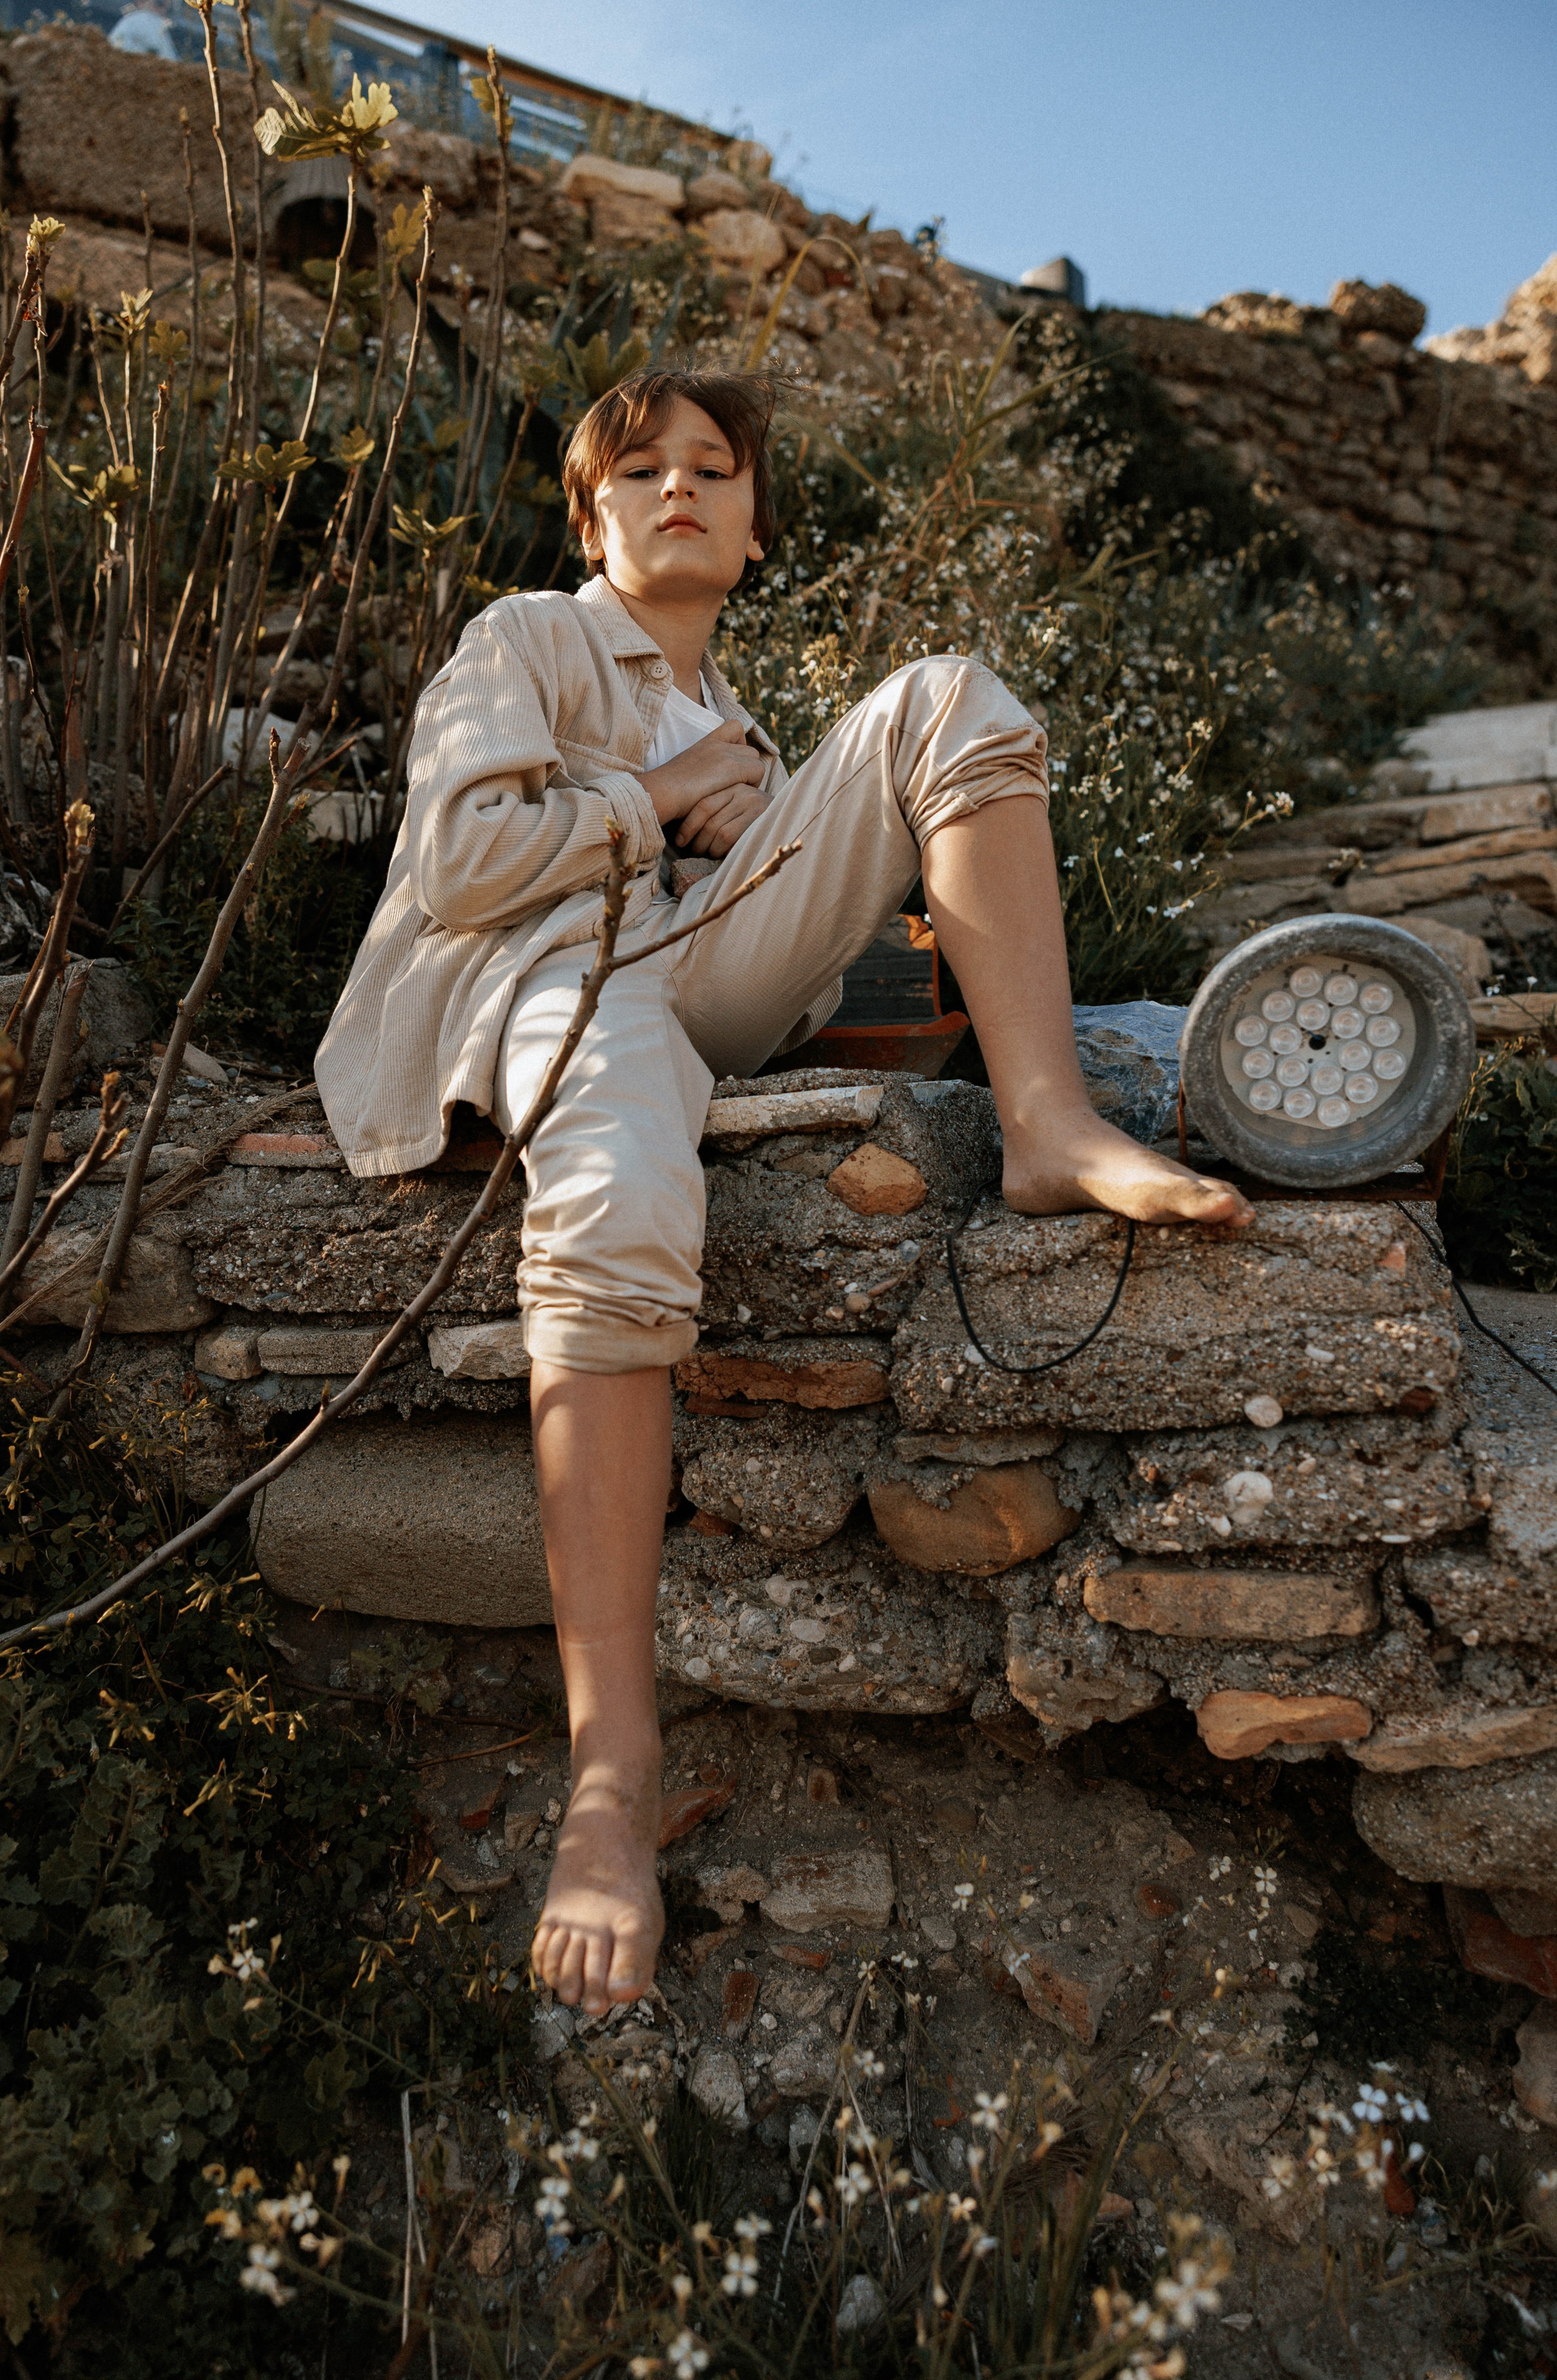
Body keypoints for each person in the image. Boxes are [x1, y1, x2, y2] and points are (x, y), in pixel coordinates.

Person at [316, 366, 1253, 2022]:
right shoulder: (524, 641)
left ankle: (1045, 1118)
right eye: (644, 470)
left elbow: (786, 992)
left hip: (684, 972)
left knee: (951, 697)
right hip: (538, 980)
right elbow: (461, 864)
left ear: (752, 534)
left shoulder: (742, 721)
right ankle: (611, 1776)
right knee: (612, 1177)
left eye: (715, 469)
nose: (679, 488)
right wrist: (656, 806)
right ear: (593, 515)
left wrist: (770, 851)